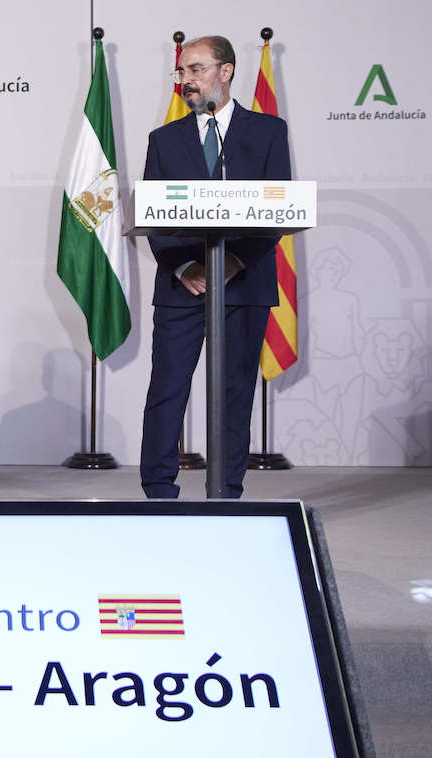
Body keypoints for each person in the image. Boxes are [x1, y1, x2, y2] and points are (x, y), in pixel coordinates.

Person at [139, 35, 291, 499]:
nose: (185, 80)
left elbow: (278, 207)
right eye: (181, 72)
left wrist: (235, 262)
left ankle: (225, 493)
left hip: (243, 285)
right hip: (182, 286)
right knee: (167, 389)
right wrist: (186, 267)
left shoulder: (267, 132)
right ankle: (159, 491)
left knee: (235, 392)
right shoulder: (163, 140)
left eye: (196, 70)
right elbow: (151, 214)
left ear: (226, 72)